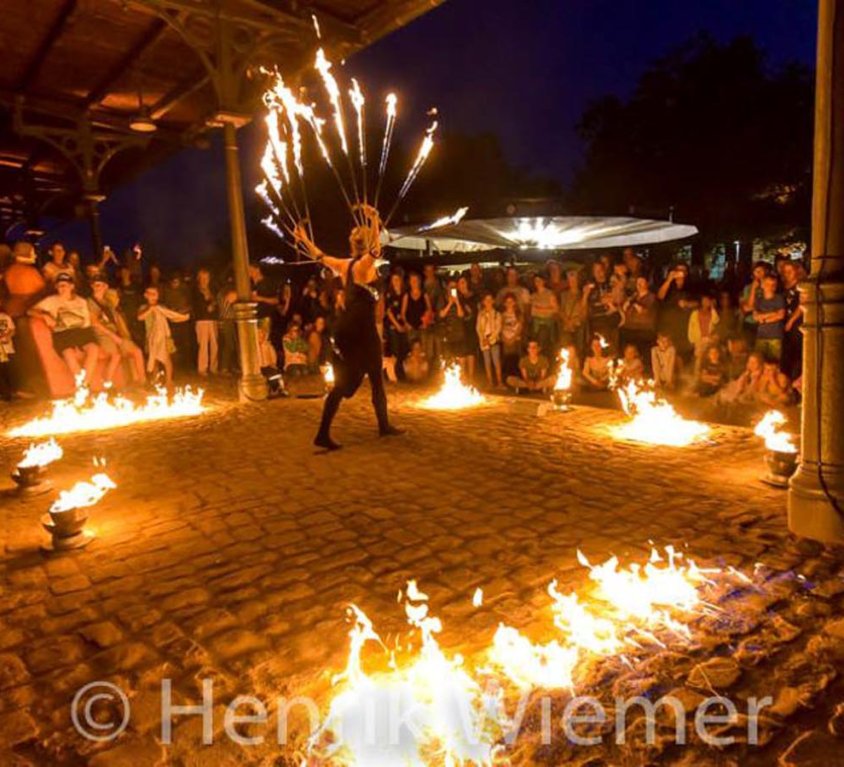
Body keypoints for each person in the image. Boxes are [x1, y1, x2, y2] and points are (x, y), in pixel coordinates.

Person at [294, 205, 402, 450]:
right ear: (366, 245)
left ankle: (379, 426)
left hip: (346, 330)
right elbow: (376, 249)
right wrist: (374, 217)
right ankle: (375, 427)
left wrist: (303, 238)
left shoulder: (345, 265)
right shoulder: (364, 266)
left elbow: (319, 256)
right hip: (359, 331)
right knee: (358, 382)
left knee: (364, 380)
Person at [29, 273, 100, 385]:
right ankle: (83, 387)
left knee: (94, 349)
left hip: (82, 332)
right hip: (63, 333)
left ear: (71, 286)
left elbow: (86, 322)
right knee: (69, 354)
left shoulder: (81, 301)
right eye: (59, 286)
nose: (61, 288)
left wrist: (83, 341)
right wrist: (44, 315)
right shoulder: (51, 300)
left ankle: (84, 383)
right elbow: (30, 311)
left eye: (64, 285)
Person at [88, 274, 146, 387]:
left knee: (137, 351)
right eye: (95, 285)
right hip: (102, 335)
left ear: (105, 287)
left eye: (100, 285)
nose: (97, 287)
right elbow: (94, 323)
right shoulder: (89, 302)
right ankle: (107, 384)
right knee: (116, 355)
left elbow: (116, 319)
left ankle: (142, 382)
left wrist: (120, 335)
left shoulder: (108, 303)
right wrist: (114, 337)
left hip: (114, 333)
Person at [138, 285, 190, 389]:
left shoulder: (161, 308)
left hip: (163, 338)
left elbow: (171, 315)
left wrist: (182, 316)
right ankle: (154, 380)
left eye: (154, 294)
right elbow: (140, 317)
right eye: (149, 293)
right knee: (154, 359)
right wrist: (151, 309)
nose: (152, 296)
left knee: (166, 359)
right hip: (150, 338)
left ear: (157, 296)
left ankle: (169, 380)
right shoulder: (143, 308)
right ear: (145, 295)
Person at [657, 263, 697, 360]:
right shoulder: (668, 284)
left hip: (684, 323)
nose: (680, 272)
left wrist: (687, 304)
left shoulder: (691, 285)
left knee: (682, 351)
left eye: (683, 270)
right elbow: (660, 296)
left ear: (687, 272)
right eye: (678, 269)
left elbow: (698, 302)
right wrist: (669, 280)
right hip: (668, 322)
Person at [582, 261, 619, 353]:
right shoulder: (590, 287)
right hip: (596, 321)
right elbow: (583, 306)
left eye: (600, 270)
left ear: (604, 271)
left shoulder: (611, 283)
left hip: (610, 319)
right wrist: (585, 295)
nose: (599, 273)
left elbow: (616, 299)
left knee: (610, 346)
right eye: (596, 271)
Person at [620, 276, 657, 364]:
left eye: (642, 282)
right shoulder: (634, 296)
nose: (639, 285)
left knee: (643, 355)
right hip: (630, 328)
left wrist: (635, 303)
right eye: (638, 283)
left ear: (647, 284)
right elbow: (624, 309)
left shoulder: (651, 297)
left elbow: (643, 311)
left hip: (644, 330)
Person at [753, 274, 786, 361]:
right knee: (760, 360)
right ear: (762, 285)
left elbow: (781, 315)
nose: (770, 287)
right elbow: (756, 317)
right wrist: (773, 313)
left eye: (773, 285)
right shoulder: (759, 300)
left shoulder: (779, 298)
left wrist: (764, 320)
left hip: (775, 336)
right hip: (761, 336)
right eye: (767, 284)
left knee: (775, 361)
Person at [193, 267, 219, 376]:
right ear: (199, 278)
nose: (204, 280)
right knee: (203, 345)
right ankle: (202, 368)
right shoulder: (196, 291)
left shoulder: (212, 290)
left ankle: (213, 368)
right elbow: (196, 305)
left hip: (212, 320)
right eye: (202, 278)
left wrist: (213, 305)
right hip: (202, 320)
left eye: (206, 278)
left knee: (215, 344)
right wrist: (207, 306)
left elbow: (216, 302)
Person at [781, 261, 803, 381]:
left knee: (797, 353)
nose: (787, 274)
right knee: (788, 354)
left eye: (790, 271)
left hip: (796, 324)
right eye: (785, 271)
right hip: (785, 323)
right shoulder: (784, 286)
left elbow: (801, 305)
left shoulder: (801, 285)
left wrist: (791, 321)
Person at [476, 291, 503, 389]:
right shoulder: (481, 314)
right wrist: (483, 338)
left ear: (493, 301)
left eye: (490, 300)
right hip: (484, 340)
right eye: (486, 300)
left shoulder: (497, 314)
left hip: (494, 340)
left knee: (496, 361)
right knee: (487, 362)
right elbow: (478, 328)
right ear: (483, 302)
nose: (488, 302)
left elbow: (498, 328)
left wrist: (491, 338)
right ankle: (490, 382)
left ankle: (499, 382)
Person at [687, 293, 720, 373]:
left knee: (710, 357)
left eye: (707, 301)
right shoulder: (695, 313)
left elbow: (716, 320)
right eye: (704, 301)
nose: (706, 302)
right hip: (699, 339)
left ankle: (710, 374)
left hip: (709, 338)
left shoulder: (712, 313)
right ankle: (697, 375)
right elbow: (691, 327)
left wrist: (712, 308)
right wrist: (692, 340)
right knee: (699, 358)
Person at [530, 273, 559, 357]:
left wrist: (541, 309)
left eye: (539, 280)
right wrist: (546, 308)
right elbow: (533, 312)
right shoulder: (533, 296)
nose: (538, 283)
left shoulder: (550, 294)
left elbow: (556, 309)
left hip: (548, 325)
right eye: (536, 281)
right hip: (536, 326)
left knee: (547, 347)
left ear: (544, 281)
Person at [384, 272, 408, 370]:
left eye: (397, 279)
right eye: (393, 280)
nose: (395, 282)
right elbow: (389, 312)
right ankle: (394, 371)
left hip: (402, 323)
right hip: (393, 325)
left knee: (403, 347)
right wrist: (397, 325)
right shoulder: (389, 294)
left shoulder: (404, 293)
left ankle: (401, 370)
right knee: (395, 348)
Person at [559, 269, 585, 351]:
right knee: (566, 349)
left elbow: (584, 311)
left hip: (578, 325)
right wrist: (567, 321)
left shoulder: (582, 294)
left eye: (574, 280)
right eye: (570, 280)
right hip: (567, 325)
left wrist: (574, 321)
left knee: (578, 349)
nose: (572, 282)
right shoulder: (563, 295)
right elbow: (561, 310)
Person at [500, 293, 524, 378]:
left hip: (516, 340)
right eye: (507, 302)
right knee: (507, 359)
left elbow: (520, 327)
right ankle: (508, 377)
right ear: (504, 303)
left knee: (516, 359)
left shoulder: (518, 314)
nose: (509, 303)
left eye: (511, 301)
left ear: (514, 303)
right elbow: (500, 327)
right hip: (505, 339)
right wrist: (505, 338)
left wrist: (513, 338)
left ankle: (517, 377)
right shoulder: (502, 315)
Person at [0, 307, 15, 400]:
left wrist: (6, 336)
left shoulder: (5, 317)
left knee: (5, 371)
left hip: (6, 349)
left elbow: (12, 330)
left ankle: (8, 394)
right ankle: (5, 394)